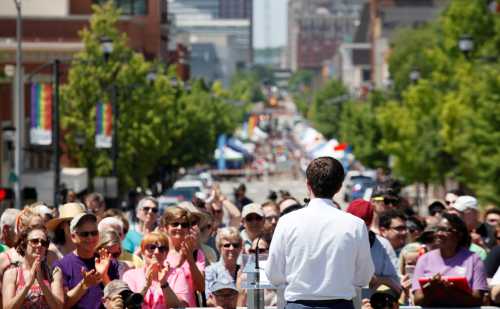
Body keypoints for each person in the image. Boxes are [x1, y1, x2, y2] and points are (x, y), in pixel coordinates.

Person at [265, 157, 374, 309]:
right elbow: (363, 276)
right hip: (340, 304)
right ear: (339, 187)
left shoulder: (287, 222)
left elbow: (273, 273)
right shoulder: (355, 225)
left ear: (308, 184)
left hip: (298, 304)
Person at [411, 213, 488, 307]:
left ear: (459, 234)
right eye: (438, 229)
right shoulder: (424, 260)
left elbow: (478, 300)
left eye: (445, 230)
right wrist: (432, 289)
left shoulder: (474, 260)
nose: (439, 234)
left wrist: (451, 291)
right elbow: (417, 301)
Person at [52, 212, 120, 309]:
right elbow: (61, 305)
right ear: (73, 237)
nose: (90, 237)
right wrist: (84, 285)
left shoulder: (108, 262)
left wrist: (104, 275)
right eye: (84, 234)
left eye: (94, 233)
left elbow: (117, 299)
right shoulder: (61, 266)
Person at [346, 199, 400, 295]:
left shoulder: (383, 245)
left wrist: (377, 279)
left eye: (364, 224)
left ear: (369, 223)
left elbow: (396, 283)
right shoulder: (338, 242)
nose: (358, 229)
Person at [2, 226, 64, 309]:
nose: (39, 245)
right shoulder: (12, 273)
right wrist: (27, 285)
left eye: (44, 243)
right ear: (23, 245)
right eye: (34, 241)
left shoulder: (54, 272)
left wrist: (41, 283)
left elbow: (59, 307)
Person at [122, 232, 183, 308]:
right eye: (152, 247)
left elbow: (178, 306)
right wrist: (146, 286)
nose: (157, 252)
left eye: (162, 248)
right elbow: (130, 306)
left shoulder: (178, 273)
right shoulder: (130, 276)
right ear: (143, 252)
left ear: (167, 253)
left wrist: (164, 283)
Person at [160, 206, 206, 307]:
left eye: (184, 225)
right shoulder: (157, 252)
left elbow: (201, 287)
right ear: (165, 227)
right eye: (175, 224)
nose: (179, 228)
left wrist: (189, 258)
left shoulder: (196, 254)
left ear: (188, 229)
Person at [205, 227, 242, 302]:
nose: (231, 248)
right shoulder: (211, 271)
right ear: (219, 247)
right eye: (227, 245)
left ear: (240, 247)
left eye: (235, 245)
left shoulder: (244, 272)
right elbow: (209, 300)